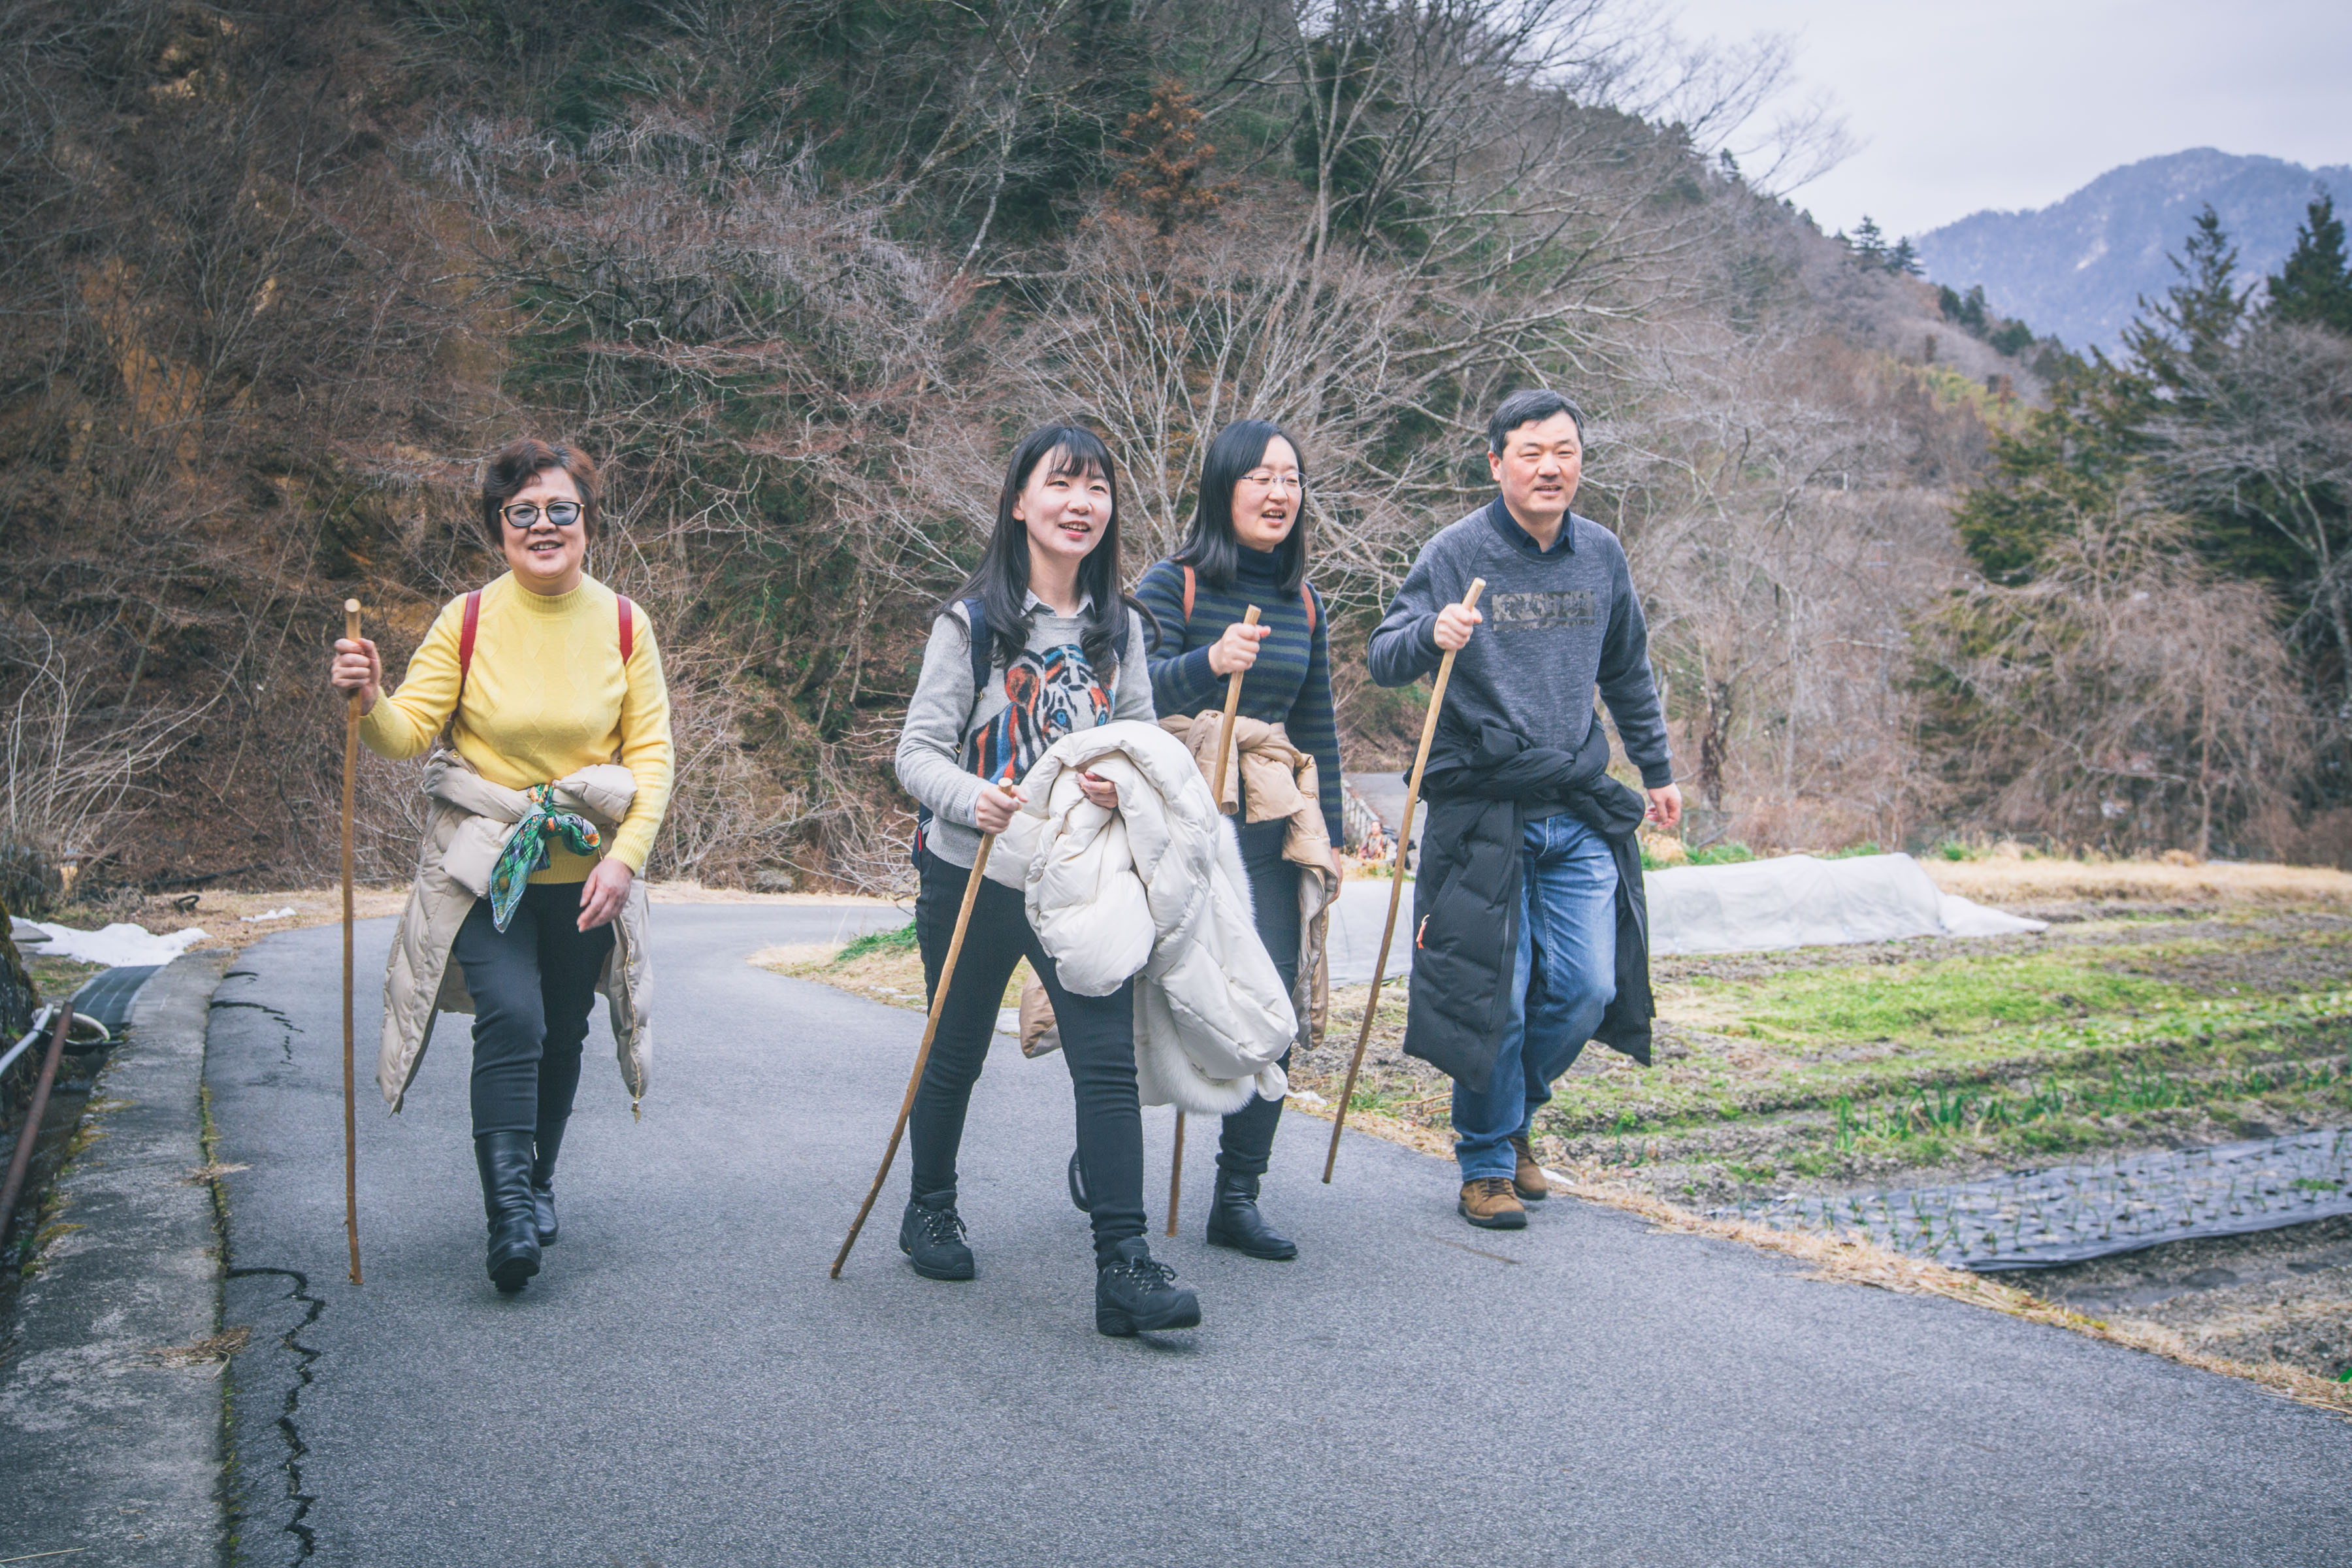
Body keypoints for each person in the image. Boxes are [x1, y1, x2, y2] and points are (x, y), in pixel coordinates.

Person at [331, 439, 674, 1291]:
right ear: (499, 527)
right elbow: (406, 733)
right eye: (523, 511)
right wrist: (370, 699)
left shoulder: (624, 623)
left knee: (563, 1029)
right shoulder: (468, 619)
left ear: (588, 522)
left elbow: (653, 758)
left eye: (561, 509)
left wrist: (625, 862)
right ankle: (510, 1214)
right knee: (514, 1019)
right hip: (486, 870)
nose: (543, 525)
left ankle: (540, 1179)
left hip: (585, 877)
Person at [893, 423, 1202, 1337]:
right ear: (1020, 502)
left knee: (1105, 1061)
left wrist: (1124, 785)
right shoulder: (972, 625)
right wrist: (971, 798)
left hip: (1080, 880)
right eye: (1061, 484)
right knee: (954, 1050)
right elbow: (917, 751)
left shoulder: (1122, 628)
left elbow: (1145, 742)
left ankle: (1124, 1265)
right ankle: (929, 1207)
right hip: (973, 873)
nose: (1081, 503)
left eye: (1097, 487)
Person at [1367, 390, 1680, 1230]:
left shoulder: (1601, 554)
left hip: (1574, 799)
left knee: (1587, 988)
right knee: (1494, 997)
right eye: (1532, 452)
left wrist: (1656, 769)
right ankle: (1486, 1164)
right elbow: (1383, 656)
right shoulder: (1455, 551)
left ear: (1581, 461)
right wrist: (1432, 632)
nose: (1550, 468)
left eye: (1565, 452)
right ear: (1496, 462)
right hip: (1484, 807)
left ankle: (1510, 1120)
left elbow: (1627, 669)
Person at [1127, 419, 1345, 1261]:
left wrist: (1330, 834)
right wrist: (1210, 662)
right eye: (1261, 476)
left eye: (1291, 478)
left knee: (1273, 1006)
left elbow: (1315, 729)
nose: (1279, 492)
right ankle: (1107, 1152)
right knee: (1153, 995)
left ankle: (1239, 1196)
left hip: (1268, 824)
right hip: (1180, 823)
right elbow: (1130, 695)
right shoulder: (1172, 584)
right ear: (1224, 488)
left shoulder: (1305, 602)